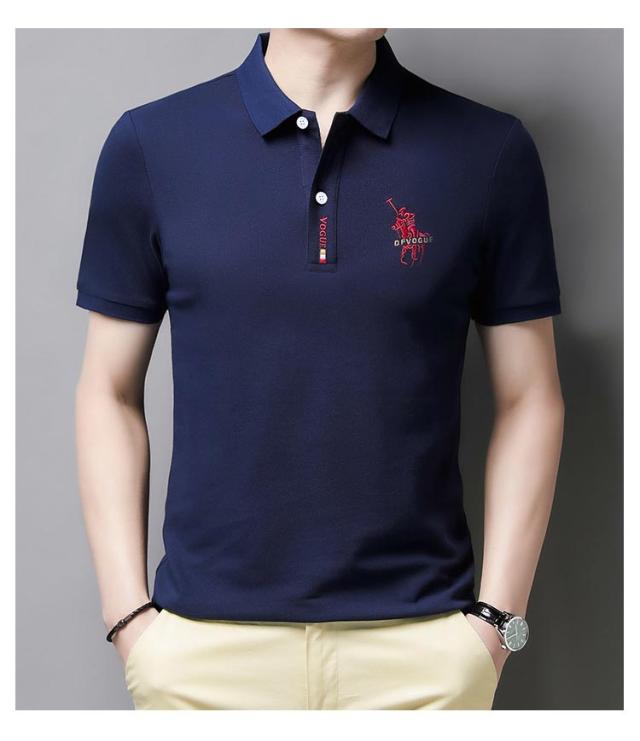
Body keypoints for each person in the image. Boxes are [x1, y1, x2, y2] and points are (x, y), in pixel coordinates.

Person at [75, 28, 564, 710]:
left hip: (423, 657)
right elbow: (107, 390)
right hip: (203, 659)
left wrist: (496, 624)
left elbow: (530, 396)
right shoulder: (152, 144)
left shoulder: (488, 150)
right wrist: (130, 620)